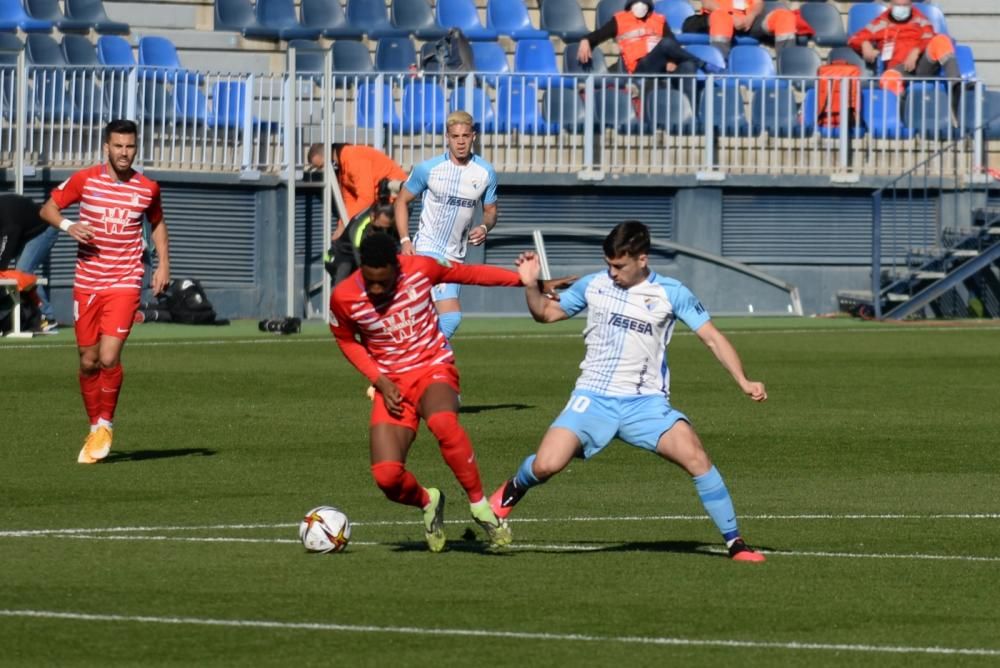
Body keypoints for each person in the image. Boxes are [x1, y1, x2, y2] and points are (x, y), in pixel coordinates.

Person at [489, 221, 768, 563]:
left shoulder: (672, 292)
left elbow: (712, 337)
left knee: (697, 458)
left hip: (646, 404)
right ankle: (510, 491)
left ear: (642, 259)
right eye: (609, 264)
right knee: (546, 465)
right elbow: (545, 314)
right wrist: (530, 286)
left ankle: (736, 544)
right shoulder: (594, 285)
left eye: (619, 266)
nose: (613, 272)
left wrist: (743, 379)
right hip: (592, 398)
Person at [328, 232, 527, 552]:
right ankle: (428, 500)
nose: (377, 290)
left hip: (433, 368)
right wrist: (378, 379)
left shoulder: (421, 268)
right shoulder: (344, 296)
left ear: (397, 266)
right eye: (371, 281)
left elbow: (471, 274)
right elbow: (346, 339)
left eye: (384, 282)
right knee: (387, 477)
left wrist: (526, 281)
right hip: (391, 385)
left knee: (444, 423)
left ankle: (480, 506)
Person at [39, 119, 171, 464]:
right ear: (106, 148)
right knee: (88, 361)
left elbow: (157, 223)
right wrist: (69, 226)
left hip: (125, 281)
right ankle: (94, 425)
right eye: (118, 146)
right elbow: (47, 208)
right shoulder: (85, 180)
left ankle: (106, 424)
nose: (125, 153)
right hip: (87, 282)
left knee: (109, 357)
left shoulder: (147, 188)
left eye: (130, 146)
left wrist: (163, 265)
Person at [393, 111, 497, 339]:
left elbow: (490, 212)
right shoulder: (428, 169)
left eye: (465, 136)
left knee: (438, 319)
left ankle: (414, 357)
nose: (460, 141)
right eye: (455, 136)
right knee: (450, 317)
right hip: (427, 251)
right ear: (447, 138)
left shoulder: (485, 172)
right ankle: (420, 358)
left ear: (474, 137)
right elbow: (401, 201)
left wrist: (485, 227)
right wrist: (405, 240)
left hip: (455, 257)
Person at [847, 0, 960, 98]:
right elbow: (854, 38)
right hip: (898, 69)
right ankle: (903, 112)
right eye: (898, 5)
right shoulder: (880, 22)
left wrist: (916, 51)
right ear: (890, 5)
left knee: (941, 39)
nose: (901, 9)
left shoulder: (919, 19)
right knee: (888, 78)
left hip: (922, 64)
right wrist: (864, 44)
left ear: (911, 5)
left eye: (905, 5)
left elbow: (929, 36)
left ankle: (957, 88)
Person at [576, 0, 710, 78]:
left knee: (688, 66)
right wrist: (585, 40)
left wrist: (671, 60)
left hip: (662, 66)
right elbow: (599, 34)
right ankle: (703, 64)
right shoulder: (620, 19)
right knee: (665, 44)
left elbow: (673, 43)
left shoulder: (658, 20)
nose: (640, 5)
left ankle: (691, 116)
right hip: (640, 67)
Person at [307, 142, 406, 241]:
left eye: (322, 166)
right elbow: (349, 200)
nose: (324, 171)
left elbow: (366, 198)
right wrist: (341, 225)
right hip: (380, 201)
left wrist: (345, 225)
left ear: (329, 157)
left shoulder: (352, 159)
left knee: (371, 236)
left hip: (395, 197)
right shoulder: (342, 166)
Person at [0, 194, 53, 332]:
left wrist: (1, 267)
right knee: (14, 273)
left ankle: (47, 317)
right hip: (26, 231)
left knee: (23, 271)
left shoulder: (7, 218)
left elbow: (10, 236)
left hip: (44, 228)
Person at [683, 0, 797, 60]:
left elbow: (758, 3)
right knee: (722, 18)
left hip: (747, 20)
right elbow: (708, 3)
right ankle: (720, 68)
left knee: (785, 17)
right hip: (720, 16)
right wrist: (731, 16)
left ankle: (788, 67)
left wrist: (750, 17)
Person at [326, 203, 398, 285]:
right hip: (342, 256)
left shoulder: (382, 215)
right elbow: (358, 250)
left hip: (360, 254)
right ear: (373, 217)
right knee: (343, 284)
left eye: (387, 228)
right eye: (379, 228)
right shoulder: (359, 227)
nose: (384, 231)